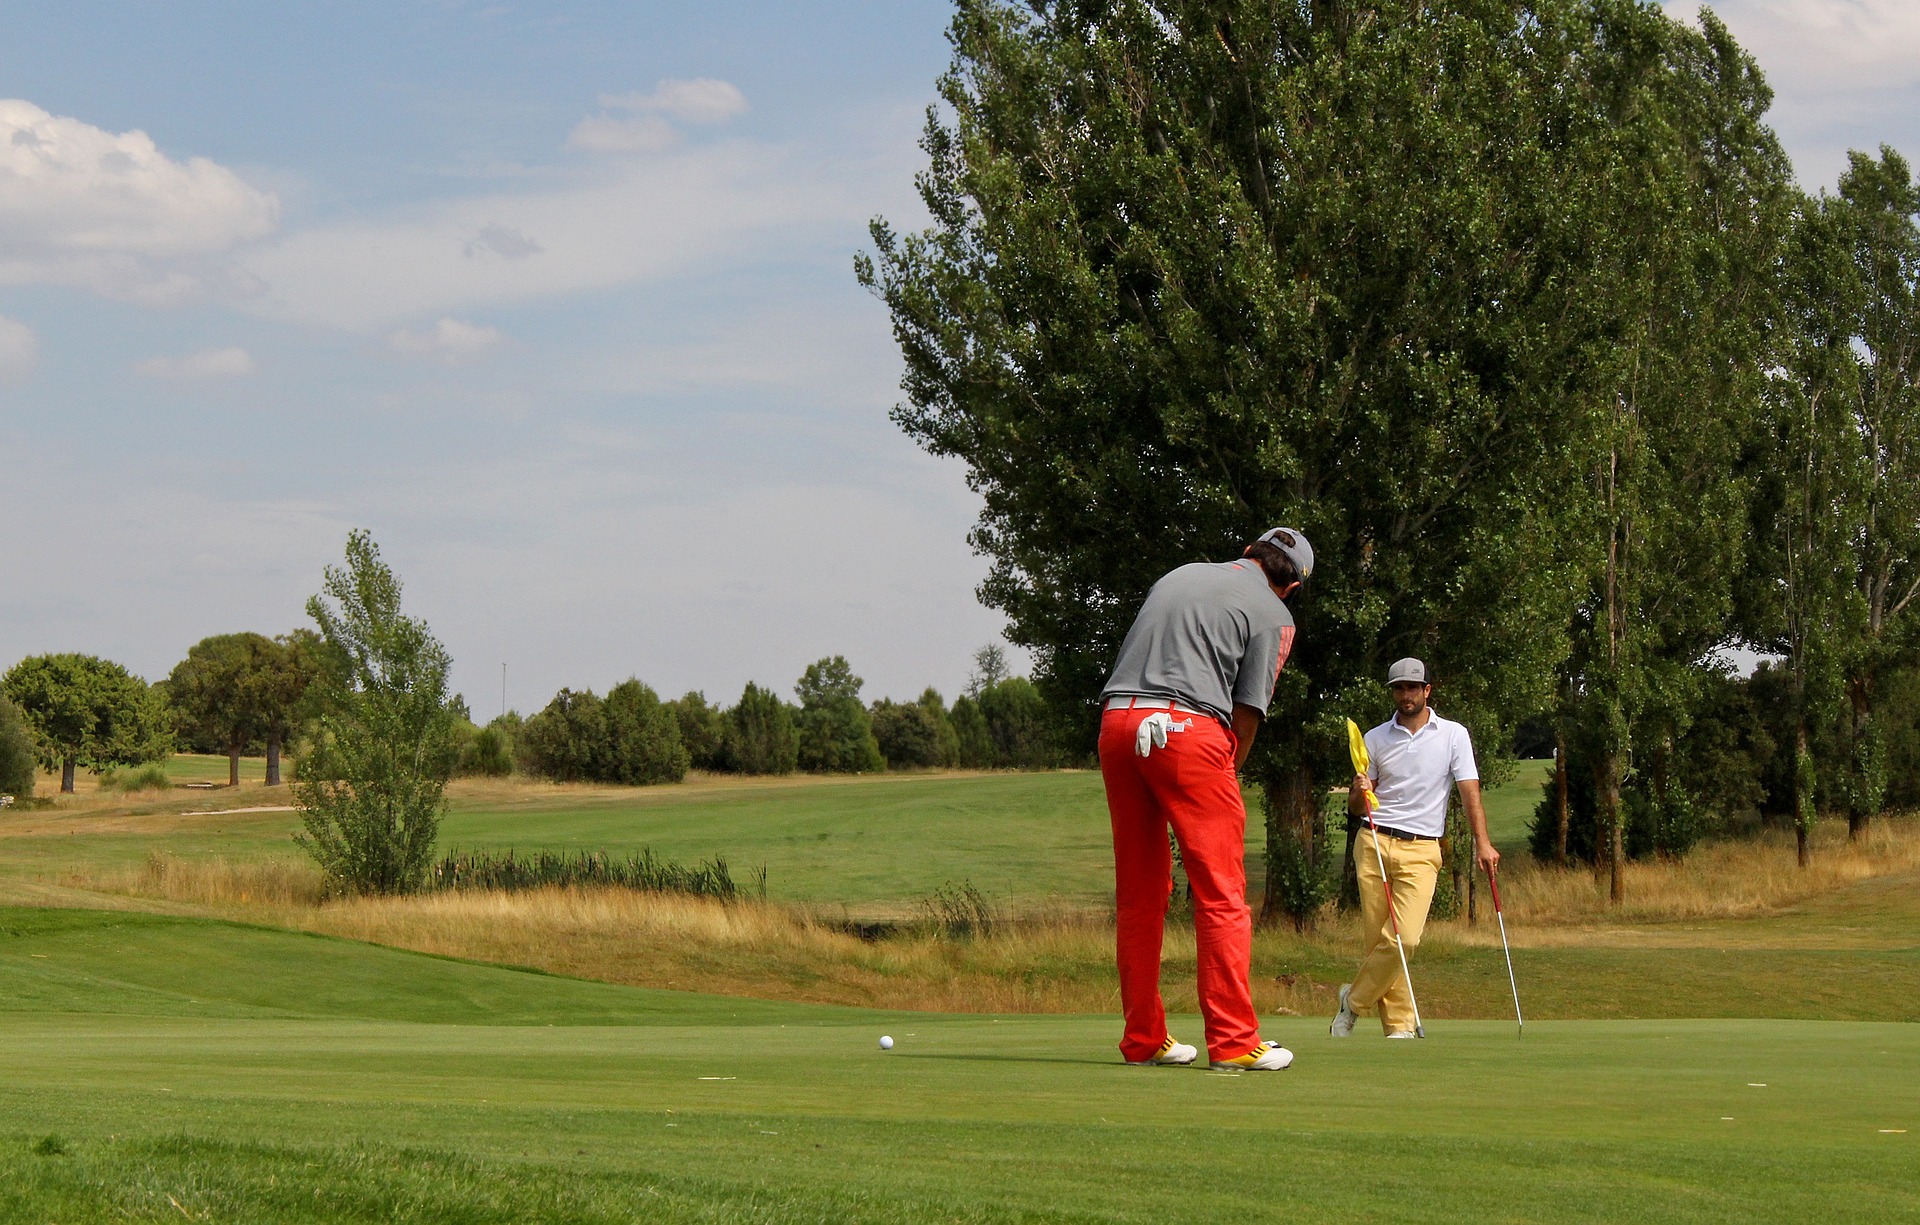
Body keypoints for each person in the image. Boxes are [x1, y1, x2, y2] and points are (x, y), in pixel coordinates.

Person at [1098, 527, 1313, 1071]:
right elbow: (1248, 711)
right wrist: (1228, 772)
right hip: (1186, 731)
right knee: (1221, 892)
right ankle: (1235, 1043)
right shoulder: (1274, 613)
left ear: (1247, 553)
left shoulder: (1181, 573)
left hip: (1117, 725)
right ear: (1290, 586)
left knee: (1140, 895)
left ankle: (1143, 1039)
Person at [1332, 658, 1498, 1038]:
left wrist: (1483, 843)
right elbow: (1358, 807)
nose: (1404, 695)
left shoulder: (1454, 735)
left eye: (1412, 687)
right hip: (1374, 841)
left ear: (1427, 690)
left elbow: (1469, 791)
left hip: (1423, 847)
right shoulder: (1374, 739)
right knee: (1380, 940)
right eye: (1398, 688)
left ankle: (1352, 1001)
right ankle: (1400, 1027)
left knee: (1404, 938)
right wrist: (1358, 794)